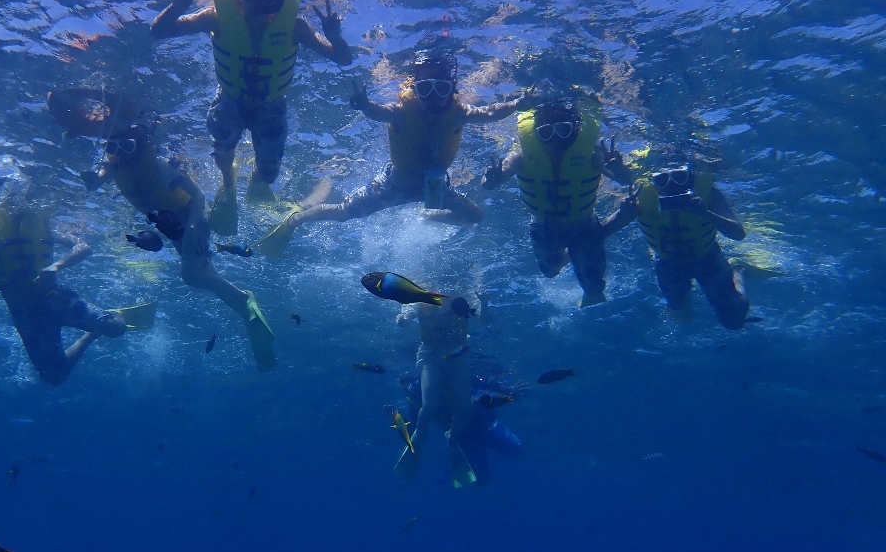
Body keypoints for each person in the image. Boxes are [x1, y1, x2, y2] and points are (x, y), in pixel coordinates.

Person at [150, 0, 354, 235]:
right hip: (229, 102)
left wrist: (335, 37)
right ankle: (228, 182)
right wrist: (177, 8)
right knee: (222, 151)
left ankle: (257, 182)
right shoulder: (215, 16)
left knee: (269, 175)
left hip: (271, 108)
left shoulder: (295, 26)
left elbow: (343, 59)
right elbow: (158, 32)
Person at [257, 49, 537, 259]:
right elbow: (378, 112)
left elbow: (490, 113)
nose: (434, 97)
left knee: (475, 217)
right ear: (416, 89)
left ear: (451, 90)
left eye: (442, 89)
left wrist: (517, 103)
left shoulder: (460, 112)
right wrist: (364, 105)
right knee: (343, 212)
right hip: (394, 185)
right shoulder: (403, 111)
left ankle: (428, 216)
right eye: (426, 89)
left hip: (436, 188)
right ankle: (294, 219)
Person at [79, 121, 277, 371]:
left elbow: (198, 195)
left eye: (126, 146)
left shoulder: (159, 165)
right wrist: (89, 180)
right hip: (171, 226)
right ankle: (243, 305)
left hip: (192, 217)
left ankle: (243, 299)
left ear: (138, 146)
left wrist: (194, 225)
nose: (119, 152)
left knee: (192, 275)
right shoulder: (113, 164)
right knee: (202, 275)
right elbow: (96, 182)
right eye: (112, 146)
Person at [0, 163, 127, 385]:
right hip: (27, 315)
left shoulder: (45, 229)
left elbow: (83, 247)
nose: (19, 207)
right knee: (54, 377)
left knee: (117, 328)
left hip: (57, 299)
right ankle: (92, 333)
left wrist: (57, 266)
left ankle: (104, 321)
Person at [480, 96, 639, 307]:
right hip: (544, 227)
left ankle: (585, 245)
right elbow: (487, 184)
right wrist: (492, 178)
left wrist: (618, 167)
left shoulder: (594, 154)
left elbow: (626, 180)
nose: (555, 140)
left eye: (563, 131)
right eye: (546, 133)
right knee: (549, 272)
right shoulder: (520, 156)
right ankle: (578, 250)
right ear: (536, 135)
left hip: (583, 224)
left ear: (574, 131)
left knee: (594, 287)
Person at [627, 162, 750, 329]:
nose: (672, 187)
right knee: (681, 317)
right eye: (662, 180)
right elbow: (607, 229)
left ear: (691, 179)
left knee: (734, 321)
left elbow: (738, 234)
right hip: (668, 262)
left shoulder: (709, 195)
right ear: (655, 185)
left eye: (680, 178)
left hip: (708, 257)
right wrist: (623, 211)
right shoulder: (639, 199)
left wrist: (705, 213)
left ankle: (737, 270)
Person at [392, 290, 488, 488]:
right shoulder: (420, 292)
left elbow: (482, 317)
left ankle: (451, 439)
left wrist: (484, 301)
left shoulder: (467, 292)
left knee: (464, 407)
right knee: (430, 405)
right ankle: (420, 433)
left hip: (459, 355)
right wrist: (403, 318)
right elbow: (407, 313)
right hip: (430, 355)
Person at [395, 370, 523, 486]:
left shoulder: (447, 377)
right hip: (465, 439)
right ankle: (451, 472)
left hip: (485, 424)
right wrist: (397, 418)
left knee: (516, 449)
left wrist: (509, 390)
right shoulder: (416, 401)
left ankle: (452, 471)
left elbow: (479, 381)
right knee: (482, 480)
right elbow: (413, 431)